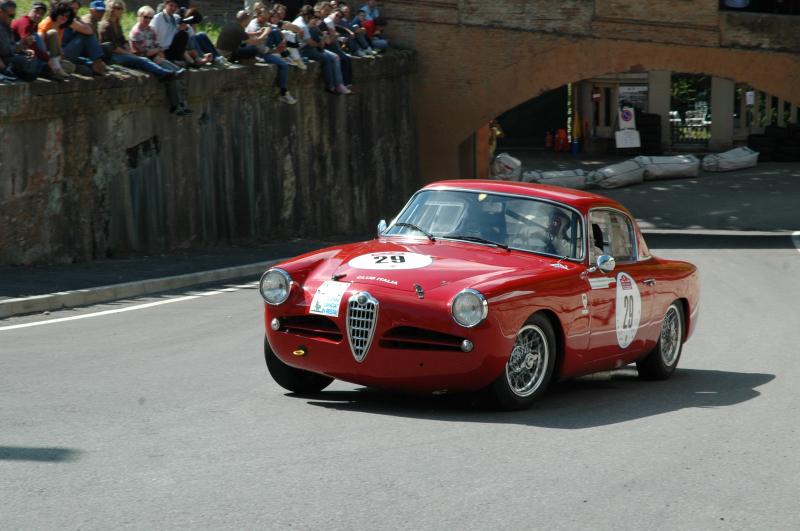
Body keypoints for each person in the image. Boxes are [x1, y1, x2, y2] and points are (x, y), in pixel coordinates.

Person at [99, 0, 189, 115]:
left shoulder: (118, 25)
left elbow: (124, 42)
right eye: (116, 8)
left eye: (121, 8)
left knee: (171, 69)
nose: (119, 11)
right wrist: (130, 54)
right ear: (110, 9)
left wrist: (157, 53)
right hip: (113, 57)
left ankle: (178, 99)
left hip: (133, 54)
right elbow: (115, 48)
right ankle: (164, 74)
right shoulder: (107, 25)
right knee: (145, 61)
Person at [293, 5, 349, 94]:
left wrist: (322, 37)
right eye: (314, 18)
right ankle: (331, 86)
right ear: (309, 16)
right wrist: (321, 41)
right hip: (304, 50)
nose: (315, 20)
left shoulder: (312, 25)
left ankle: (338, 84)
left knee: (335, 57)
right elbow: (312, 43)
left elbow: (325, 42)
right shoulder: (303, 25)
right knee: (326, 59)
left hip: (311, 48)